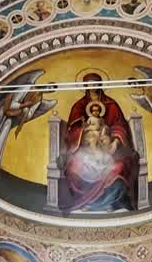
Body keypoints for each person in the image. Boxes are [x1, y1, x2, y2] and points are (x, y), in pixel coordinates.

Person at [59, 75, 139, 213]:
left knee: (119, 167)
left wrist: (114, 141)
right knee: (73, 166)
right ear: (85, 86)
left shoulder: (111, 105)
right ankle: (84, 202)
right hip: (84, 149)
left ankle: (109, 202)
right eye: (89, 84)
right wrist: (83, 133)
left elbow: (120, 126)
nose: (93, 87)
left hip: (108, 149)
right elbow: (71, 131)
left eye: (96, 83)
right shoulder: (78, 106)